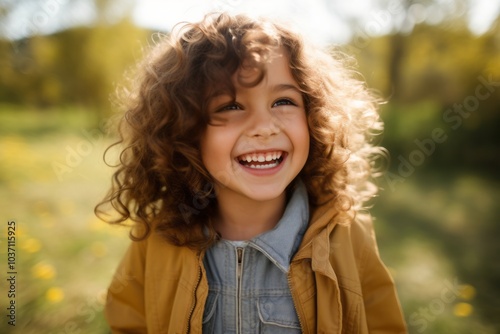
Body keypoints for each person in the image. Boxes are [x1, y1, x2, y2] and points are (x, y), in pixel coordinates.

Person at [96, 12, 407, 334]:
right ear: (185, 130)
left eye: (283, 101)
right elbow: (129, 322)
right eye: (230, 106)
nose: (264, 127)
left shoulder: (346, 236)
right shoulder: (159, 239)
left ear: (314, 115)